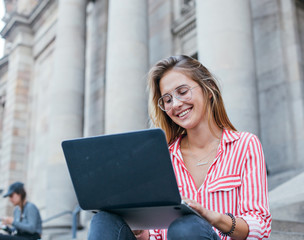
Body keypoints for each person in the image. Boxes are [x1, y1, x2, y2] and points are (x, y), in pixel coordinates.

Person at [88, 55, 271, 240]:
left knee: (187, 227)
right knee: (103, 220)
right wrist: (142, 233)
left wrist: (214, 217)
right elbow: (158, 235)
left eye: (182, 91)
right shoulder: (163, 156)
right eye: (167, 100)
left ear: (209, 89)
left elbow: (260, 226)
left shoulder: (245, 145)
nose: (175, 104)